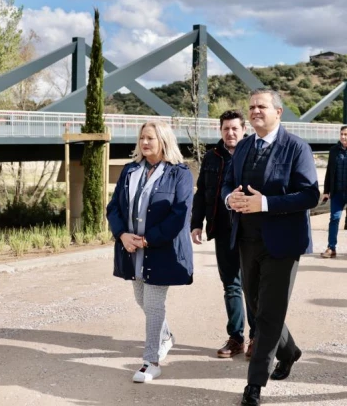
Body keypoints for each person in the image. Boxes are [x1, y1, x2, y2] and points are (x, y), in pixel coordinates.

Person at [222, 88, 319, 406]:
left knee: (268, 314)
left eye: (261, 106)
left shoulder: (296, 148)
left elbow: (309, 195)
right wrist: (230, 198)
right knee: (257, 310)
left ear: (279, 112)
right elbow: (227, 182)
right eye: (250, 107)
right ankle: (290, 351)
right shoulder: (244, 146)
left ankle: (254, 385)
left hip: (283, 243)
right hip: (246, 240)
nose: (254, 111)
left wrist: (265, 203)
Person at [106, 120, 193, 383]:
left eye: (150, 139)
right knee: (142, 300)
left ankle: (150, 361)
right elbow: (114, 208)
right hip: (131, 249)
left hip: (160, 250)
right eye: (142, 137)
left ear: (163, 141)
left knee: (154, 305)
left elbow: (179, 215)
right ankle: (165, 336)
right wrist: (122, 235)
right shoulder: (130, 170)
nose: (145, 143)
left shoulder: (180, 173)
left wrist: (146, 240)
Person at [191, 110, 256, 359]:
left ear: (243, 130)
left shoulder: (253, 154)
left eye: (235, 129)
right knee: (231, 285)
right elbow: (201, 192)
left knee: (252, 286)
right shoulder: (211, 157)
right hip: (222, 229)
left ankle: (256, 338)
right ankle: (236, 338)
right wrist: (196, 223)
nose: (230, 133)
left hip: (249, 230)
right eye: (226, 128)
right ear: (221, 131)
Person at [320, 125, 347, 258]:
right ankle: (331, 248)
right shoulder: (334, 151)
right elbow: (329, 172)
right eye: (341, 134)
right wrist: (326, 191)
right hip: (337, 192)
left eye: (346, 134)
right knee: (334, 219)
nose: (343, 136)